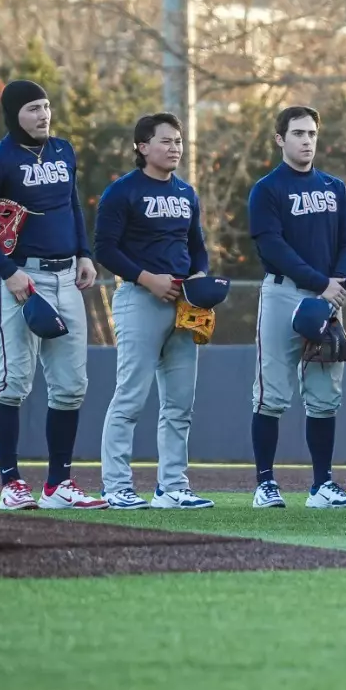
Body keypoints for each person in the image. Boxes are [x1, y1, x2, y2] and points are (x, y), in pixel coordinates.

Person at [0, 79, 103, 511]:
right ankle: (10, 483)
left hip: (66, 278)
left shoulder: (63, 151)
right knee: (13, 384)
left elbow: (71, 205)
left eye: (46, 106)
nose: (43, 115)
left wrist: (85, 252)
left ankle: (59, 485)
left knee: (71, 387)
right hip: (22, 282)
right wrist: (8, 271)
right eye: (33, 108)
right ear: (13, 114)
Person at [93, 112, 213, 510]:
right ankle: (116, 485)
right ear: (142, 147)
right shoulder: (121, 192)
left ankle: (172, 486)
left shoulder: (186, 193)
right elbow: (105, 249)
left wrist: (199, 278)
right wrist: (148, 278)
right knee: (130, 397)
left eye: (178, 141)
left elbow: (196, 246)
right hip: (139, 298)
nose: (174, 147)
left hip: (183, 302)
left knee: (181, 402)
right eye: (165, 141)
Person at [248, 106, 346, 509]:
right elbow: (272, 246)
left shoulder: (333, 187)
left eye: (312, 133)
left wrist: (338, 282)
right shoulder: (267, 189)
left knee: (325, 395)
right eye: (297, 133)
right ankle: (265, 485)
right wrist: (321, 283)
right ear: (280, 139)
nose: (307, 140)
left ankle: (322, 486)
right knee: (271, 394)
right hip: (284, 293)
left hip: (328, 296)